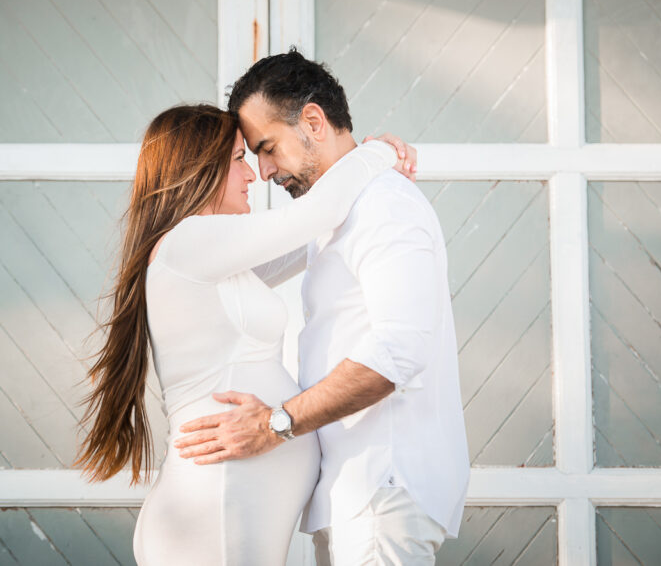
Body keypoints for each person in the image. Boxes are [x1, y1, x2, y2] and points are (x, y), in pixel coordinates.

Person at [76, 104, 415, 565]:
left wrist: (366, 182)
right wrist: (376, 154)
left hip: (227, 511)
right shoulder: (187, 242)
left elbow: (309, 239)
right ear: (199, 169)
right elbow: (316, 215)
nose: (253, 174)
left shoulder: (205, 257)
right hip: (214, 512)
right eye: (238, 158)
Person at [174, 51, 470, 565]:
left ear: (313, 121)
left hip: (382, 488)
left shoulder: (384, 206)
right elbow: (241, 270)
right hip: (355, 493)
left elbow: (399, 350)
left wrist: (273, 425)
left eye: (267, 149)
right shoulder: (333, 213)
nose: (263, 172)